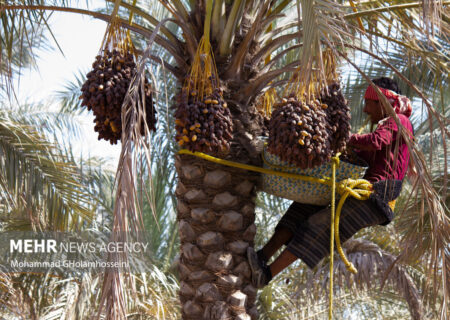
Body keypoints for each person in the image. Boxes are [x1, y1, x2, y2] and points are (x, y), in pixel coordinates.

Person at [247, 77, 414, 288]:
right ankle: (262, 256)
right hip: (364, 194)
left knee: (320, 227)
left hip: (375, 198)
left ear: (382, 102)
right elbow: (364, 153)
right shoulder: (388, 125)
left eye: (368, 103)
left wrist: (342, 137)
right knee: (303, 207)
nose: (365, 110)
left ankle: (266, 275)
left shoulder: (399, 120)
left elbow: (374, 142)